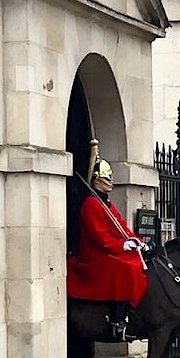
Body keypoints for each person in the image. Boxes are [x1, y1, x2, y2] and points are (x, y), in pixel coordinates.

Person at [67, 139, 148, 341]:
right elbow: (99, 237)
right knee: (124, 268)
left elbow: (122, 226)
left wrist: (136, 240)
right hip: (95, 254)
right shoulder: (91, 204)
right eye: (106, 179)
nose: (110, 182)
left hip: (110, 249)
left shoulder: (107, 204)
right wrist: (122, 245)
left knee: (137, 262)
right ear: (96, 180)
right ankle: (117, 321)